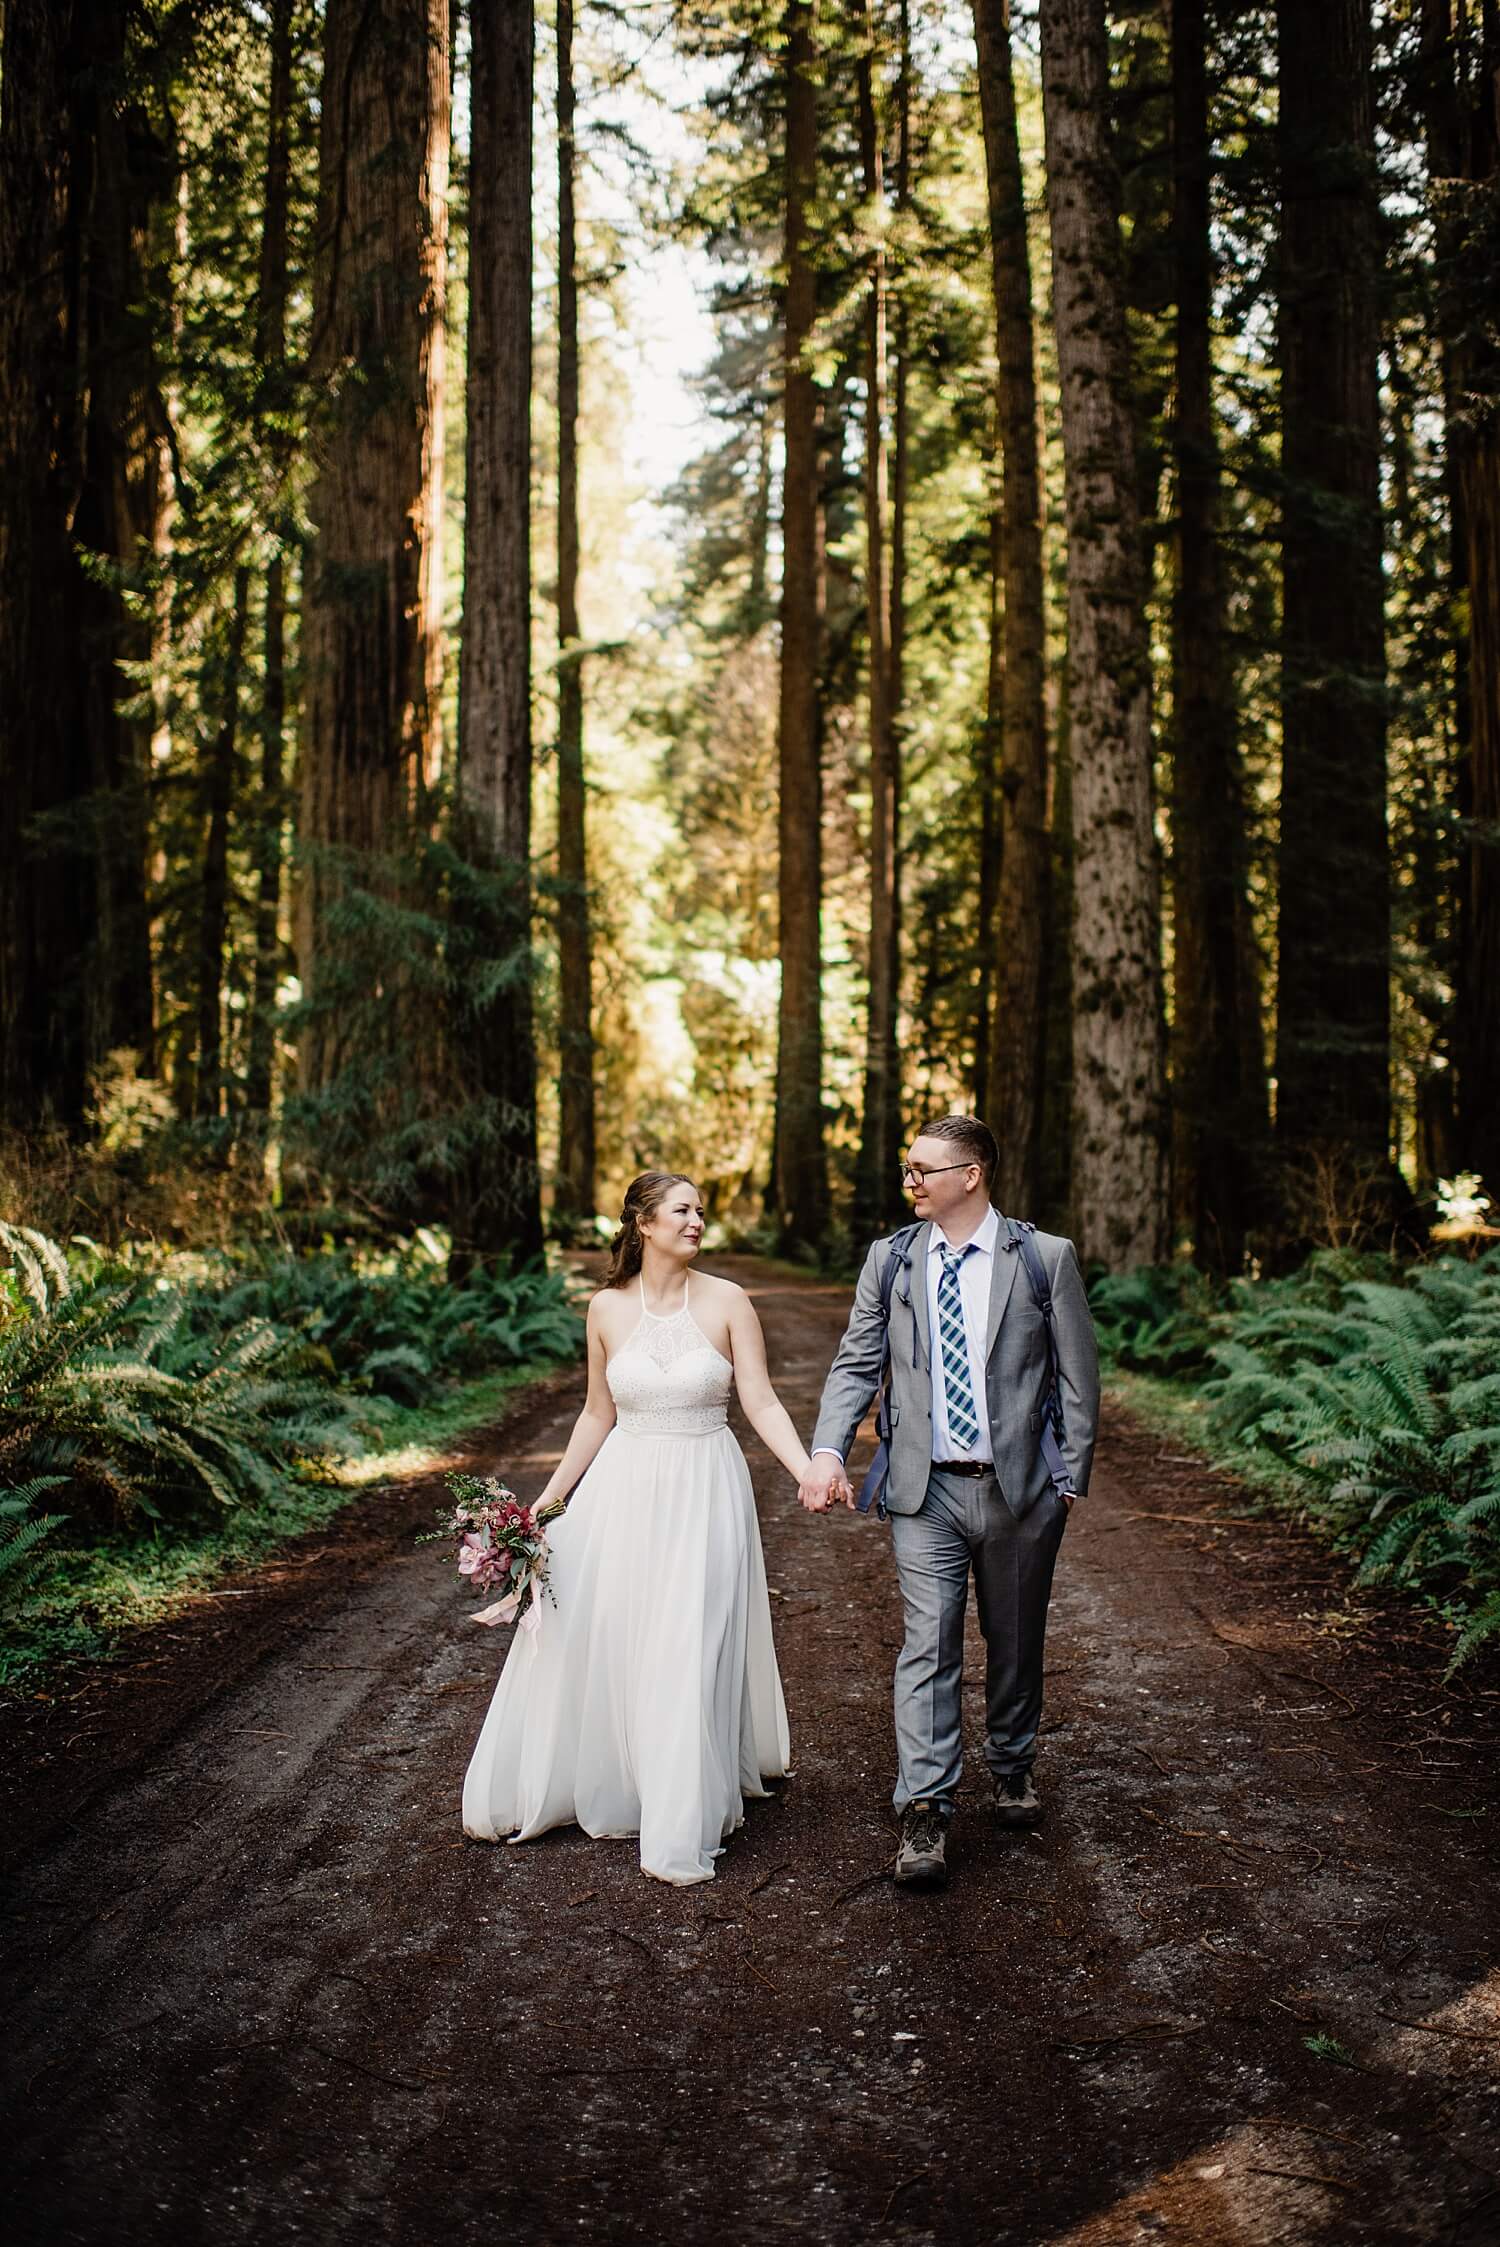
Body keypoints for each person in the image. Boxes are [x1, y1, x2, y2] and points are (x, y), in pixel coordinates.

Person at [462, 1171, 803, 1886]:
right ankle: (628, 1780)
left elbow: (762, 1399)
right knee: (625, 1634)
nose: (697, 1221)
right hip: (624, 1489)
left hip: (707, 1486)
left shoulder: (729, 1301)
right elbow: (596, 1414)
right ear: (644, 1223)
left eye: (700, 1211)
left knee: (693, 1638)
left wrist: (805, 1469)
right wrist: (546, 1507)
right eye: (683, 1210)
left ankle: (683, 1813)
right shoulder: (607, 1309)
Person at [798, 1115, 1099, 1891]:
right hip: (920, 1488)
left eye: (924, 1169)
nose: (911, 1181)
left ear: (972, 1174)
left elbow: (1077, 1375)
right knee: (926, 1643)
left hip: (1021, 1489)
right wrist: (829, 1448)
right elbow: (857, 1361)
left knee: (1014, 1632)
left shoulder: (1043, 1257)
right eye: (908, 1167)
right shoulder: (891, 1261)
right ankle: (925, 1805)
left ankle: (1012, 1763)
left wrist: (1068, 1478)